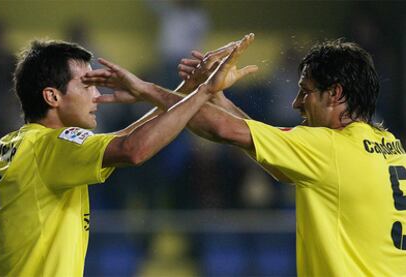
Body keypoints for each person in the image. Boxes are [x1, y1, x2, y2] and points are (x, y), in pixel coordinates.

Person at [83, 37, 406, 276]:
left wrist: (148, 91)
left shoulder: (327, 148)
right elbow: (256, 139)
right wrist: (214, 95)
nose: (296, 103)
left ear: (335, 94)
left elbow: (224, 130)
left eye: (305, 91)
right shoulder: (390, 146)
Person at [0, 36, 255, 276]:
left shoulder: (17, 141)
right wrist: (206, 92)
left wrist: (187, 88)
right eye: (87, 86)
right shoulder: (50, 147)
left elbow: (124, 138)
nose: (97, 95)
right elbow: (133, 150)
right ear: (52, 96)